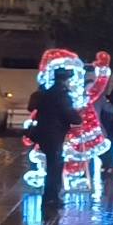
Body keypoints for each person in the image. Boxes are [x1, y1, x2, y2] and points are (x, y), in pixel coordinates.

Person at [29, 68, 79, 206]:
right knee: (54, 166)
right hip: (54, 134)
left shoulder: (47, 93)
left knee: (52, 164)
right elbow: (69, 114)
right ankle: (51, 197)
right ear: (65, 80)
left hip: (44, 132)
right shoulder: (62, 95)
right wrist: (78, 118)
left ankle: (50, 195)